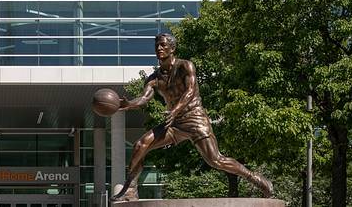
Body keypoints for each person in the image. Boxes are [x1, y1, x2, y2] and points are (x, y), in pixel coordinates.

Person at [112, 33, 272, 201]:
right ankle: (130, 189)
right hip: (174, 124)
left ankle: (256, 179)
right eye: (157, 46)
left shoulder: (185, 66)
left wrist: (175, 110)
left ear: (172, 48)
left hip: (194, 118)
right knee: (141, 145)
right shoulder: (154, 79)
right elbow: (144, 98)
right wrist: (128, 104)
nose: (159, 48)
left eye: (163, 45)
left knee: (216, 160)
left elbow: (190, 91)